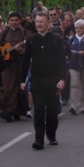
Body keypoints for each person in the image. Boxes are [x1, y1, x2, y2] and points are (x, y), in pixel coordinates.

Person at [20, 12, 66, 150]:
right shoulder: (32, 40)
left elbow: (61, 62)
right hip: (37, 80)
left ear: (48, 24)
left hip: (52, 80)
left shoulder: (55, 40)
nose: (39, 24)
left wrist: (62, 79)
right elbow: (26, 60)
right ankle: (38, 139)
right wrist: (22, 80)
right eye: (37, 22)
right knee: (39, 110)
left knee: (52, 111)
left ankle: (51, 135)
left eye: (42, 22)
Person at [0, 12, 29, 122]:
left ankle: (15, 111)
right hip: (7, 65)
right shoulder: (5, 32)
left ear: (19, 21)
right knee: (6, 86)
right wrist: (1, 51)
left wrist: (21, 51)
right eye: (12, 20)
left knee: (17, 87)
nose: (14, 22)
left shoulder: (24, 33)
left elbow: (29, 48)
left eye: (16, 20)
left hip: (19, 64)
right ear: (8, 21)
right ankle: (7, 110)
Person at [67, 19, 84, 114]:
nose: (78, 30)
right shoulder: (71, 40)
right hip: (74, 65)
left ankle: (83, 105)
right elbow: (67, 52)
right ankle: (73, 106)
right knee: (74, 84)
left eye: (80, 28)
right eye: (77, 28)